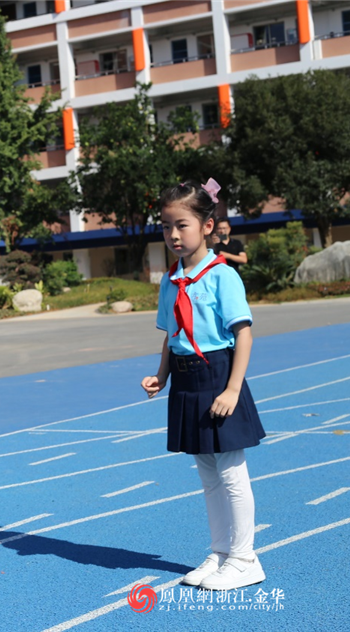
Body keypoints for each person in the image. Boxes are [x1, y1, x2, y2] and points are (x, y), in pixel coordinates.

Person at [140, 179, 267, 592]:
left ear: (208, 226)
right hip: (187, 378)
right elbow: (172, 333)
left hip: (217, 375)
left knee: (231, 472)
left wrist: (232, 390)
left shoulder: (222, 276)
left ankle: (246, 558)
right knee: (208, 473)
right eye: (165, 227)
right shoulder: (170, 280)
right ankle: (221, 552)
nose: (173, 235)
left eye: (182, 225)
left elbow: (243, 334)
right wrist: (162, 373)